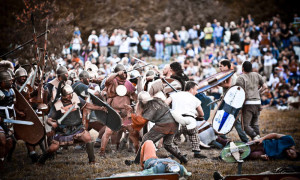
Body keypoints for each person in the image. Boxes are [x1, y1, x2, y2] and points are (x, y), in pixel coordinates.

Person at [38, 84, 107, 164]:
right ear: (63, 95)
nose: (70, 96)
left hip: (77, 128)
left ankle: (92, 161)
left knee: (88, 138)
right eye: (68, 95)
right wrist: (52, 123)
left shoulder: (75, 98)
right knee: (53, 148)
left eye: (71, 94)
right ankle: (41, 161)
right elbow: (49, 120)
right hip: (63, 131)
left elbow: (87, 105)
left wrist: (100, 108)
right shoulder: (57, 104)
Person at [126, 91, 188, 165]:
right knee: (168, 144)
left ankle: (137, 161)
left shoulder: (151, 105)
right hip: (174, 123)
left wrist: (131, 115)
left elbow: (141, 121)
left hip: (164, 124)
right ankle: (182, 158)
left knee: (146, 139)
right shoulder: (157, 100)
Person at [99, 64, 137, 157]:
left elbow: (134, 96)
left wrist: (135, 105)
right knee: (108, 131)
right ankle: (102, 152)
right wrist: (116, 74)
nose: (124, 74)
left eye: (125, 72)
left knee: (132, 130)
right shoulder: (112, 81)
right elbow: (106, 82)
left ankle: (133, 148)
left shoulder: (128, 83)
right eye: (122, 72)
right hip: (113, 111)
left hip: (125, 111)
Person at [165, 81, 207, 159]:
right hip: (190, 121)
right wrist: (196, 115)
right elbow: (202, 114)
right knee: (194, 135)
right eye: (196, 90)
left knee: (174, 138)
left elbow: (165, 103)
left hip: (177, 121)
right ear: (191, 89)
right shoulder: (195, 99)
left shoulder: (175, 95)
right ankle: (197, 152)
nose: (197, 92)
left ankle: (173, 153)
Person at [235, 61, 268, 140]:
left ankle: (255, 137)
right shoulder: (257, 75)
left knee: (245, 126)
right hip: (257, 102)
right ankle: (259, 141)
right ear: (251, 68)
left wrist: (240, 106)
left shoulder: (240, 78)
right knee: (255, 124)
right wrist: (258, 92)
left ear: (242, 68)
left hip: (248, 103)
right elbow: (265, 86)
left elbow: (240, 93)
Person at [219, 59, 249, 143]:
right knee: (224, 117)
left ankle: (245, 140)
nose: (219, 68)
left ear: (226, 66)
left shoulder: (230, 74)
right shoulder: (227, 74)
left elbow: (228, 85)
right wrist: (223, 95)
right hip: (230, 100)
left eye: (221, 66)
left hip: (233, 101)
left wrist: (218, 83)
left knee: (235, 121)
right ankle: (222, 135)